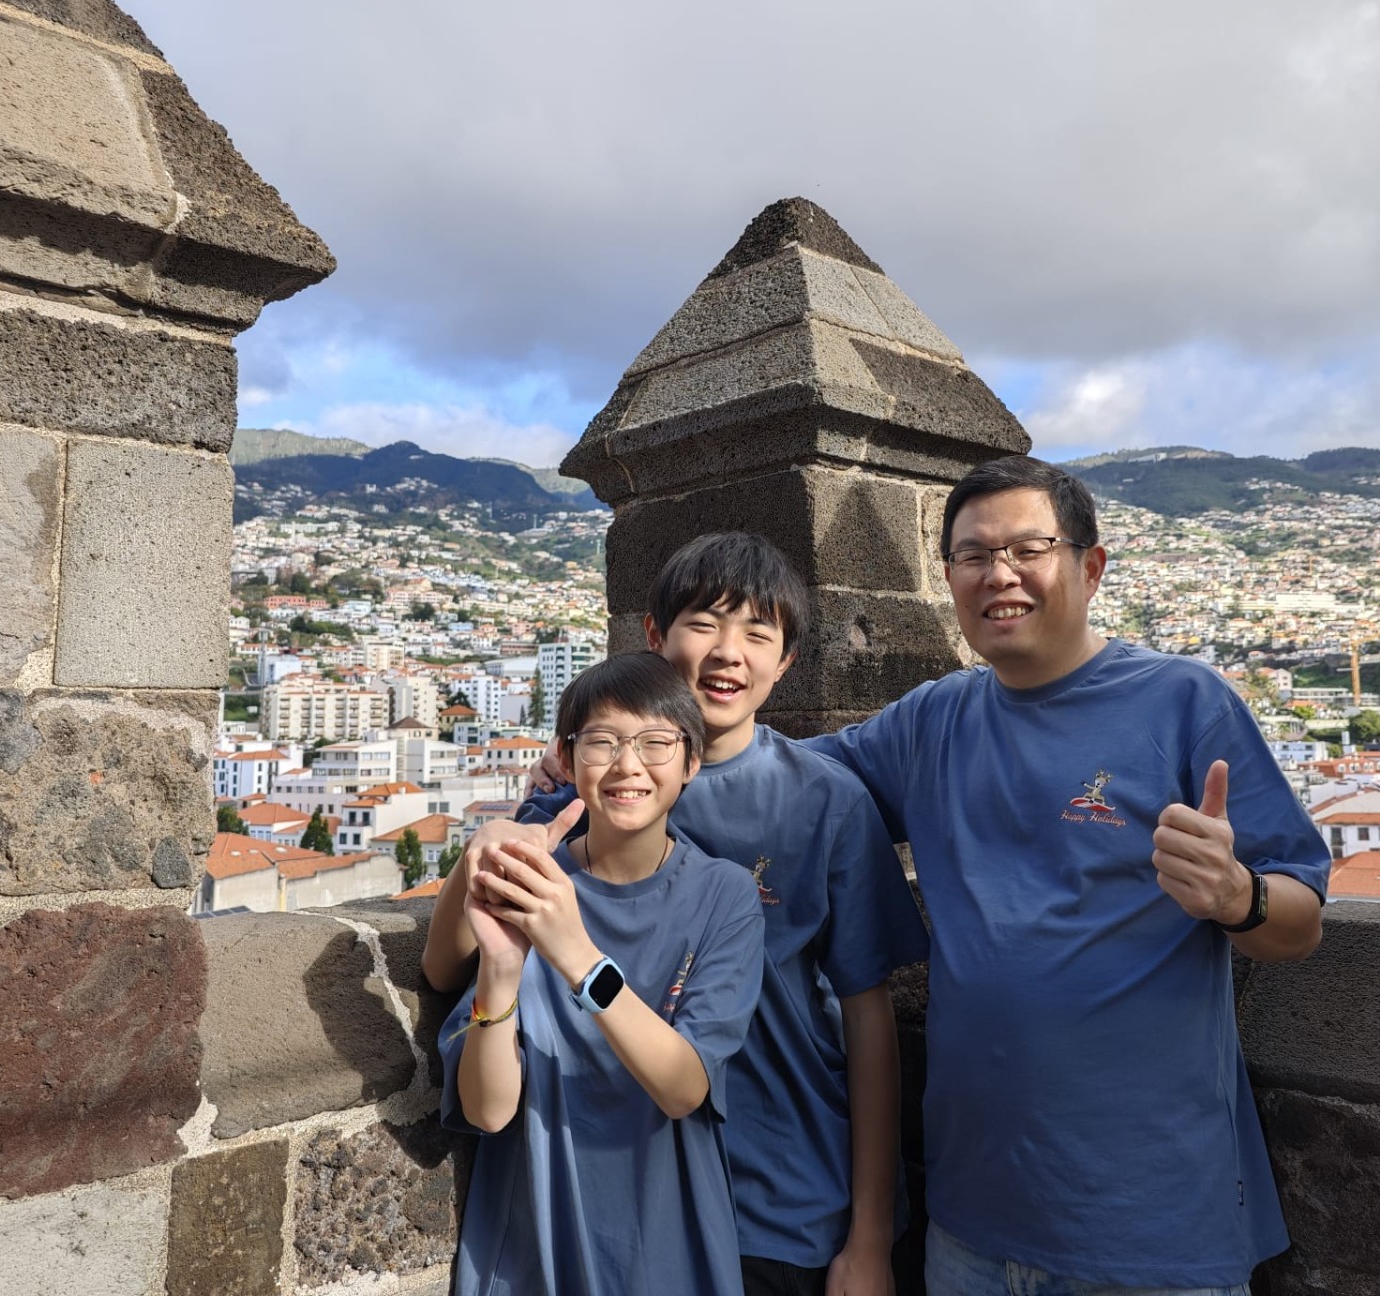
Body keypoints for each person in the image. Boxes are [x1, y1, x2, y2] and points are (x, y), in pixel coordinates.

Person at [799, 454, 1331, 1295]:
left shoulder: (1184, 701)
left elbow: (1300, 925)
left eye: (1027, 549)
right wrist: (596, 757)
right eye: (973, 556)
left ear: (1089, 566)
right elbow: (777, 782)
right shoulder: (933, 719)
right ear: (948, 578)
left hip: (1150, 1230)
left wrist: (1240, 897)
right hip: (971, 1222)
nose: (998, 574)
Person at [428, 533, 927, 1296]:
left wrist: (868, 1236)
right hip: (631, 1191)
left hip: (780, 1193)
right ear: (656, 638)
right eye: (705, 623)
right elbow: (458, 966)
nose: (730, 652)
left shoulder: (823, 802)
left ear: (786, 662)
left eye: (759, 634)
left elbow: (869, 1024)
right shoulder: (579, 805)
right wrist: (484, 847)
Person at [438, 651, 766, 1296]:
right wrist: (502, 971)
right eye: (603, 741)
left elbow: (684, 1088)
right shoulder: (530, 883)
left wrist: (575, 953)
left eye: (655, 742)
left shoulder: (723, 894)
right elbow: (489, 1110)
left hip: (664, 1228)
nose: (628, 765)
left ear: (691, 761)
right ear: (567, 755)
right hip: (532, 1230)